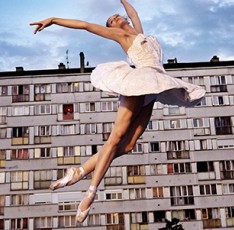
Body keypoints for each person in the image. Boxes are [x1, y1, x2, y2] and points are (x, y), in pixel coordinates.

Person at [30, 0, 205, 223]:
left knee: (129, 145)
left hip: (154, 84)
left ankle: (79, 171)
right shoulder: (122, 37)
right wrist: (53, 20)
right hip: (139, 82)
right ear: (112, 28)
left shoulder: (142, 35)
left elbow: (133, 12)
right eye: (111, 20)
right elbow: (85, 25)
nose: (116, 18)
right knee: (115, 139)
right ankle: (90, 192)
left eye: (116, 15)